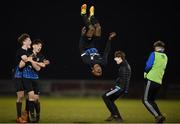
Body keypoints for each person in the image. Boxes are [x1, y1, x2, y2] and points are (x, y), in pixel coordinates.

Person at [79, 3, 116, 76]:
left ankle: (83, 14)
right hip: (95, 43)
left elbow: (81, 48)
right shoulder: (103, 62)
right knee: (98, 28)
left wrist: (82, 36)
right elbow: (106, 51)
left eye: (97, 72)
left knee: (92, 29)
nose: (99, 70)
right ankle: (92, 17)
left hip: (87, 43)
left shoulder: (87, 62)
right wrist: (109, 39)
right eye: (100, 72)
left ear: (93, 71)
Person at [21, 39, 50, 123]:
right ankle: (31, 117)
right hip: (26, 78)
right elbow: (23, 62)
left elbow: (38, 68)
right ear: (33, 45)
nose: (40, 48)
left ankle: (37, 115)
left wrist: (32, 61)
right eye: (38, 46)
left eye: (41, 46)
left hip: (35, 78)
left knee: (36, 99)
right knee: (31, 97)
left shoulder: (41, 56)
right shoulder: (27, 53)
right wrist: (39, 63)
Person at [102, 50, 131, 122]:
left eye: (116, 58)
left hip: (119, 88)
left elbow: (124, 79)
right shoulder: (124, 65)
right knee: (110, 100)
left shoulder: (124, 66)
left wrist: (124, 89)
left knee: (105, 96)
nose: (115, 60)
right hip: (121, 87)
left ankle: (115, 115)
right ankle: (117, 116)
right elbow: (125, 78)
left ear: (120, 57)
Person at [143, 40, 168, 123]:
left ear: (156, 47)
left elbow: (148, 65)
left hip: (151, 79)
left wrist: (145, 72)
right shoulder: (165, 56)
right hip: (159, 81)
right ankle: (160, 116)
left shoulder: (154, 54)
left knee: (145, 100)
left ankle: (157, 116)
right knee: (152, 100)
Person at [14, 33, 32, 123]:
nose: (31, 42)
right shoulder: (20, 51)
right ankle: (18, 117)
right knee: (20, 96)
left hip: (27, 76)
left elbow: (30, 62)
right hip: (18, 76)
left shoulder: (28, 53)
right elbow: (24, 60)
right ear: (24, 41)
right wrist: (31, 58)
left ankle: (26, 114)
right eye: (29, 40)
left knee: (30, 95)